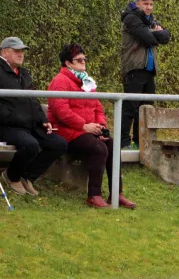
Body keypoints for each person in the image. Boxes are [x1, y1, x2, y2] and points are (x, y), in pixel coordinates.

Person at [47, 44, 136, 209]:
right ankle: (94, 195)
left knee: (112, 144)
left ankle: (117, 194)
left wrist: (101, 127)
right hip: (66, 132)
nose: (83, 62)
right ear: (67, 63)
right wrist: (84, 126)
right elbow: (61, 112)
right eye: (79, 59)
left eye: (84, 59)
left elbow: (98, 108)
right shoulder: (60, 81)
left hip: (86, 131)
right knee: (99, 148)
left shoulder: (87, 82)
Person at [0, 37, 68, 195]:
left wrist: (43, 120)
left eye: (22, 51)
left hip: (29, 124)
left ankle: (27, 176)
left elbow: (33, 100)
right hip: (8, 125)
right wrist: (15, 117)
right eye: (16, 51)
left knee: (59, 144)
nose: (21, 54)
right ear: (4, 52)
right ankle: (12, 176)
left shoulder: (24, 73)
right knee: (30, 145)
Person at [120, 0, 171, 149]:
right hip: (134, 68)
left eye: (151, 4)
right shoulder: (131, 18)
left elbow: (166, 37)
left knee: (145, 109)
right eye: (145, 4)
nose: (149, 7)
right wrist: (156, 32)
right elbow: (148, 39)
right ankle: (123, 143)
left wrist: (157, 33)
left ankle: (139, 141)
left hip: (149, 70)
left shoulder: (149, 21)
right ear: (137, 4)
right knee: (130, 108)